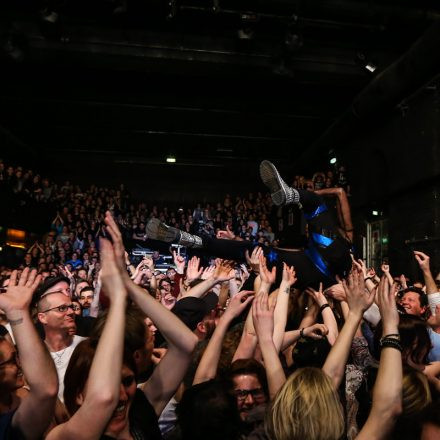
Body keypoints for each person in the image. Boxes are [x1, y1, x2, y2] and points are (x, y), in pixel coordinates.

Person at [146, 160, 353, 289]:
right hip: (315, 270)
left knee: (316, 203)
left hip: (324, 269)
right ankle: (188, 239)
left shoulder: (345, 234)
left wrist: (309, 194)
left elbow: (340, 192)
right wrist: (236, 240)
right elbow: (280, 249)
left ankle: (290, 194)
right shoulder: (320, 243)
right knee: (257, 251)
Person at [0, 268, 58, 440]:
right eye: (10, 361)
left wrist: (17, 311)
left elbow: (46, 391)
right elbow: (46, 389)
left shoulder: (22, 397)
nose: (20, 365)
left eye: (16, 355)